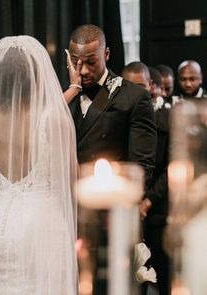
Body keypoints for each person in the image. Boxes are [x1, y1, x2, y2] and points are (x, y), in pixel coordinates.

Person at [0, 35, 78, 294]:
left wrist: (72, 90)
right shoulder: (54, 119)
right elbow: (73, 181)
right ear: (36, 75)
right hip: (41, 224)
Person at [66, 24, 157, 293]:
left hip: (111, 223)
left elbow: (142, 166)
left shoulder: (134, 97)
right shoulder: (62, 97)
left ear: (106, 54)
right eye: (75, 62)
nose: (83, 71)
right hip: (67, 220)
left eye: (90, 62)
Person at [122, 62, 171, 295]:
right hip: (128, 211)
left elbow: (172, 167)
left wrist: (149, 200)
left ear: (151, 86)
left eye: (140, 86)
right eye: (130, 87)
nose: (136, 92)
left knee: (164, 276)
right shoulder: (118, 119)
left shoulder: (167, 118)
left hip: (159, 211)